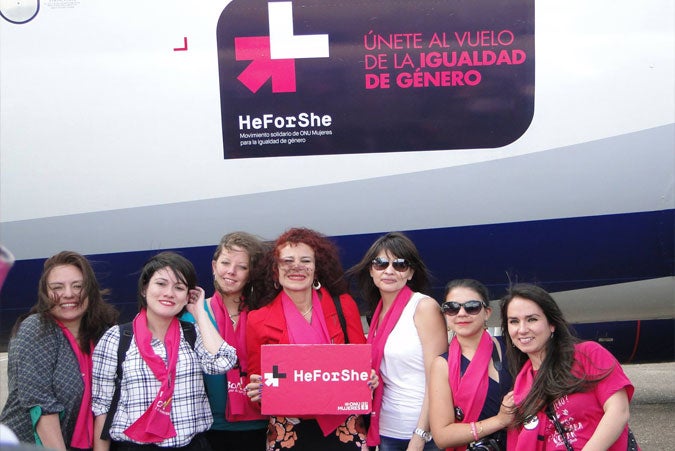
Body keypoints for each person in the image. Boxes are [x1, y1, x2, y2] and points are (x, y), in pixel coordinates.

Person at [244, 227, 377, 451]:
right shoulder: (258, 320)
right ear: (276, 271)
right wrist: (258, 392)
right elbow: (257, 385)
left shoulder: (343, 306)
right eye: (287, 261)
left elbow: (362, 365)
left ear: (316, 270)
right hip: (289, 430)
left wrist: (369, 379)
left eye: (306, 260)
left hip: (344, 425)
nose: (296, 266)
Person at [92, 251, 238, 450]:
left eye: (179, 288)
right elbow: (102, 407)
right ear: (144, 289)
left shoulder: (192, 334)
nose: (169, 293)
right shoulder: (117, 338)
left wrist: (199, 312)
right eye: (161, 284)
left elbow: (223, 362)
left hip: (190, 445)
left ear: (187, 296)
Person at [0, 251, 119, 449]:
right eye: (57, 287)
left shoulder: (103, 334)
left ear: (90, 290)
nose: (69, 294)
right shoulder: (36, 329)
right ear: (45, 293)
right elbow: (41, 407)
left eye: (78, 286)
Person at [501, 283, 639, 450]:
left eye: (532, 319)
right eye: (514, 322)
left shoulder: (588, 354)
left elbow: (619, 411)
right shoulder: (521, 386)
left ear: (552, 324)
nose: (522, 329)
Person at [347, 231, 447, 451]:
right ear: (372, 271)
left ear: (410, 273)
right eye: (381, 263)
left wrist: (420, 434)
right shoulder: (377, 315)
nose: (389, 270)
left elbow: (438, 378)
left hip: (423, 433)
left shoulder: (423, 307)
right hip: (386, 428)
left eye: (400, 264)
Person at [181, 232, 268, 450]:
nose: (231, 271)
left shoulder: (264, 315)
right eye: (225, 262)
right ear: (213, 266)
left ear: (250, 274)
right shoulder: (191, 316)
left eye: (242, 267)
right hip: (210, 429)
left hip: (263, 425)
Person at [428, 279, 514, 451]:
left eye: (472, 306)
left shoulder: (512, 348)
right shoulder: (441, 365)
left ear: (487, 312)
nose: (461, 313)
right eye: (452, 308)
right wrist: (499, 421)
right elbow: (442, 436)